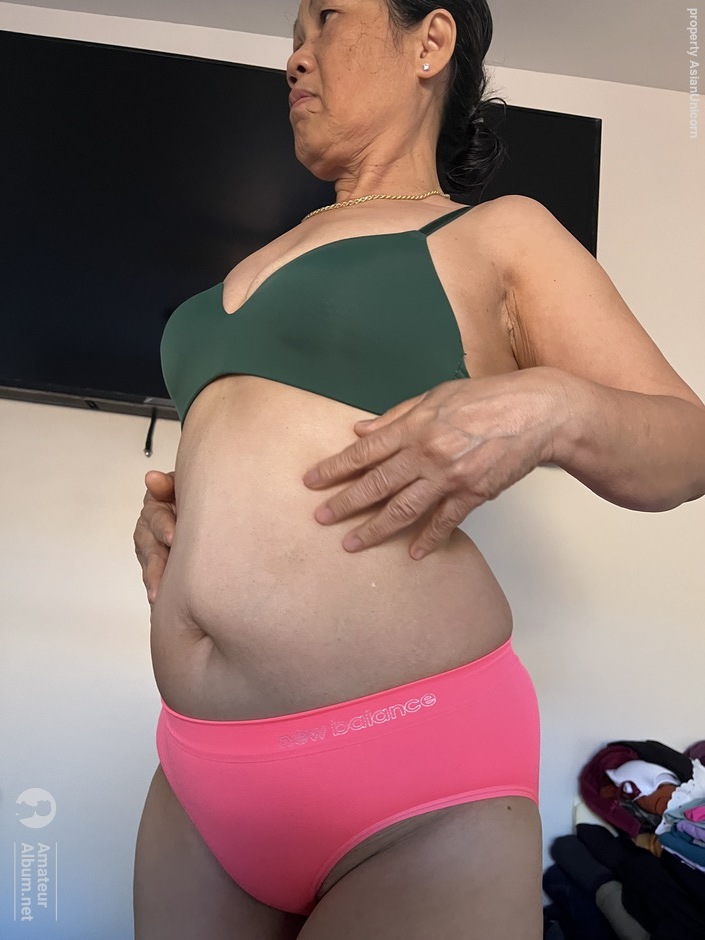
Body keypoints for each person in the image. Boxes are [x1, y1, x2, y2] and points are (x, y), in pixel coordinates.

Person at [131, 1, 705, 938]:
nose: (294, 58)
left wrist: (553, 406)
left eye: (325, 19)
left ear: (429, 42)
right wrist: (182, 520)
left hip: (410, 770)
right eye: (292, 36)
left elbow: (688, 447)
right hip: (199, 765)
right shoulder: (260, 254)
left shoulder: (498, 233)